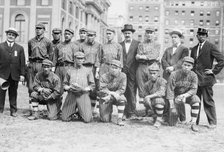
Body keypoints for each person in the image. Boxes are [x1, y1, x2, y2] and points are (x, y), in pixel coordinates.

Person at [191, 28, 224, 129]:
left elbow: (222, 60)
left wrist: (213, 71)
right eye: (199, 34)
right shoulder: (193, 49)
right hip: (195, 79)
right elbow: (192, 63)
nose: (201, 36)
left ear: (206, 36)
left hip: (206, 79)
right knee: (195, 100)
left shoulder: (211, 47)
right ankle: (194, 122)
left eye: (203, 35)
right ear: (197, 36)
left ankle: (212, 122)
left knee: (208, 101)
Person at [166, 57, 200, 132]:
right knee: (172, 123)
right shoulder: (174, 74)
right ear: (182, 65)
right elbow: (170, 90)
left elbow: (194, 89)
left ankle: (193, 123)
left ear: (192, 67)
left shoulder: (194, 75)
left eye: (189, 66)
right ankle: (177, 117)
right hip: (175, 96)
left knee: (196, 99)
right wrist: (172, 107)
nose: (186, 67)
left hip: (186, 96)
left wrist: (184, 95)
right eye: (185, 65)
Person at [161, 29, 189, 122]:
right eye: (172, 37)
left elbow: (183, 60)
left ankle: (182, 118)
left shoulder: (184, 49)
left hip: (178, 75)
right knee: (167, 95)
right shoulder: (168, 49)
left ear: (180, 38)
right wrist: (168, 67)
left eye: (175, 37)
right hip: (167, 74)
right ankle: (166, 116)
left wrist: (173, 68)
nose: (173, 39)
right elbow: (163, 60)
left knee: (178, 94)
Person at [61, 52, 95, 122]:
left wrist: (84, 89)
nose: (80, 60)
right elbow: (64, 84)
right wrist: (69, 87)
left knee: (87, 119)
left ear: (84, 60)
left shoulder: (88, 70)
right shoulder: (69, 70)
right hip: (72, 94)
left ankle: (80, 111)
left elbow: (92, 85)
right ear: (74, 59)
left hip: (82, 94)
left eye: (81, 58)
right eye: (78, 58)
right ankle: (73, 110)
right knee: (64, 118)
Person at [27, 23, 53, 113]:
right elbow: (29, 53)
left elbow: (50, 55)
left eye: (40, 28)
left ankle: (42, 108)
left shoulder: (48, 42)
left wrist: (47, 67)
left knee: (41, 85)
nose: (38, 30)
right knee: (31, 86)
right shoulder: (31, 41)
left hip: (42, 64)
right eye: (36, 28)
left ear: (44, 30)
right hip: (32, 63)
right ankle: (32, 108)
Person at [0, 27, 26, 116]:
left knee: (13, 93)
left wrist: (22, 74)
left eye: (13, 35)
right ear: (7, 35)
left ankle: (13, 110)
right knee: (1, 93)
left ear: (15, 37)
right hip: (2, 74)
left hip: (14, 74)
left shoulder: (19, 48)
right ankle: (0, 110)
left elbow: (22, 63)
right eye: (9, 34)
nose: (11, 36)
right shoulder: (1, 46)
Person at [53, 28, 79, 111]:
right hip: (59, 68)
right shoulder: (59, 46)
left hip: (69, 68)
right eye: (66, 34)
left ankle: (70, 110)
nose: (67, 35)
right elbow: (55, 58)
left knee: (70, 89)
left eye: (69, 34)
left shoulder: (75, 46)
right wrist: (54, 69)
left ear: (72, 36)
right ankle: (57, 109)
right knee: (57, 88)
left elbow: (76, 60)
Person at [120, 24, 140, 119]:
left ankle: (132, 112)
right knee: (123, 90)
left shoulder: (137, 44)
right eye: (125, 33)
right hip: (123, 71)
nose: (127, 35)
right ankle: (124, 112)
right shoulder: (120, 45)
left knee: (132, 91)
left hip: (133, 71)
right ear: (123, 34)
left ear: (132, 34)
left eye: (129, 33)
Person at [79, 30, 102, 114]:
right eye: (88, 35)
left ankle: (92, 110)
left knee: (93, 89)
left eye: (92, 35)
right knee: (83, 86)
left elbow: (98, 59)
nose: (90, 37)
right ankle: (82, 109)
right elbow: (79, 57)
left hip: (93, 68)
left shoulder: (98, 45)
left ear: (95, 36)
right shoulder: (82, 45)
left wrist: (97, 71)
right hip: (84, 67)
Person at [98, 60, 127, 126]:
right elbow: (103, 89)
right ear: (109, 68)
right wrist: (112, 94)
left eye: (116, 68)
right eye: (112, 67)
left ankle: (119, 118)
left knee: (122, 99)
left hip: (117, 95)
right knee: (105, 120)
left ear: (120, 69)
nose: (113, 70)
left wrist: (113, 95)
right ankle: (108, 111)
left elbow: (122, 89)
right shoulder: (104, 76)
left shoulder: (123, 76)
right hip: (106, 96)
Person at [136, 27, 160, 103]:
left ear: (154, 34)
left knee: (152, 86)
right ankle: (142, 110)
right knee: (141, 87)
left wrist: (143, 56)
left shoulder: (157, 44)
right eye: (148, 33)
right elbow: (138, 56)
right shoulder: (141, 44)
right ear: (145, 34)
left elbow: (154, 55)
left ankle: (151, 110)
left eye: (151, 33)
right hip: (141, 66)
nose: (149, 34)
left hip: (152, 66)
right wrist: (144, 56)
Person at [142, 62, 166, 128]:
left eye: (154, 73)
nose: (152, 75)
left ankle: (159, 120)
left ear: (158, 73)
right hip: (153, 102)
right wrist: (147, 99)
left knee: (158, 100)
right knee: (146, 100)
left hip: (164, 103)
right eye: (151, 73)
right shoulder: (147, 84)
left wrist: (149, 96)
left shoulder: (162, 81)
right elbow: (145, 94)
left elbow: (161, 93)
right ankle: (154, 115)